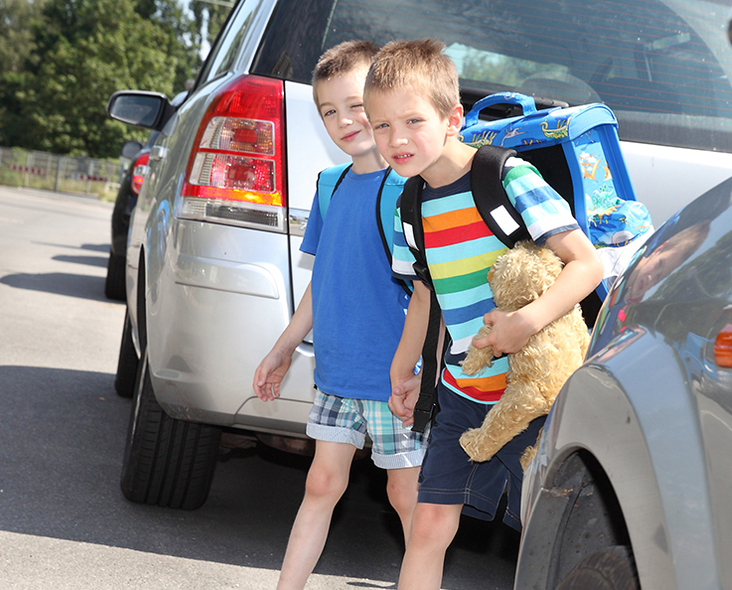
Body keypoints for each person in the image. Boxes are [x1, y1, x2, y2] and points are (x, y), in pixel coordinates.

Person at [363, 39, 604, 590]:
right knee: (428, 524)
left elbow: (585, 263)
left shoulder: (504, 177)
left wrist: (528, 320)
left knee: (539, 535)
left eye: (412, 121)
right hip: (463, 391)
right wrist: (405, 371)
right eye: (381, 126)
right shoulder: (408, 205)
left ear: (452, 119)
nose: (396, 140)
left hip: (536, 393)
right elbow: (424, 296)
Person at [252, 39, 428, 590]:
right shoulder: (329, 186)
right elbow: (321, 285)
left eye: (355, 105)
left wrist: (418, 370)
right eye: (328, 110)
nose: (344, 120)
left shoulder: (411, 188)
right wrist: (283, 349)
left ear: (380, 103)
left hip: (395, 377)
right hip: (336, 373)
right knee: (320, 485)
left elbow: (429, 291)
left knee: (409, 498)